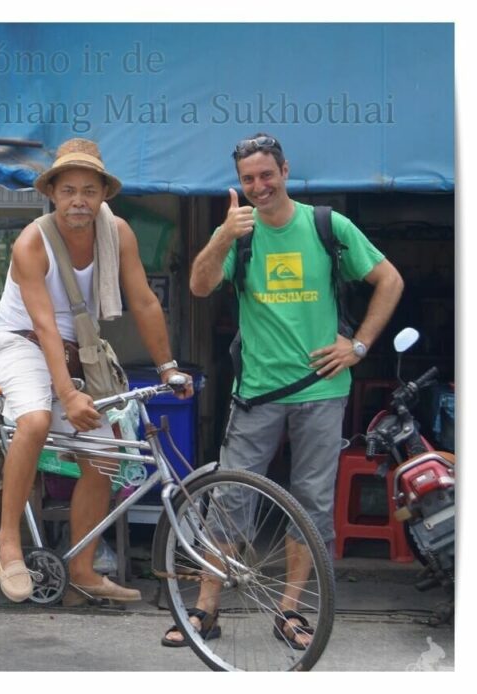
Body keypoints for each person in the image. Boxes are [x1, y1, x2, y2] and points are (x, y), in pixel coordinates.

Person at [162, 133, 403, 648]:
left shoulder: (326, 225)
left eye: (266, 175)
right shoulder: (239, 233)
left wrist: (359, 345)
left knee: (312, 503)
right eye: (248, 179)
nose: (259, 186)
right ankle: (206, 608)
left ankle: (290, 610)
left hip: (321, 390)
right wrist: (223, 236)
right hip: (256, 394)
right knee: (229, 498)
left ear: (285, 171)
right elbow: (199, 286)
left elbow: (390, 280)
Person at [0, 138, 193, 604]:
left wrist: (168, 368)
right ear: (52, 194)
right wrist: (67, 393)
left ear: (103, 195)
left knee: (105, 456)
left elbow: (144, 301)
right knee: (35, 419)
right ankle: (8, 542)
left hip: (79, 349)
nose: (79, 200)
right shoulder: (31, 242)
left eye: (89, 191)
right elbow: (43, 325)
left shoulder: (117, 234)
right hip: (19, 342)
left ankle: (81, 569)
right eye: (69, 190)